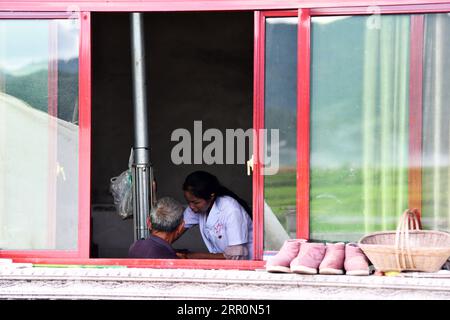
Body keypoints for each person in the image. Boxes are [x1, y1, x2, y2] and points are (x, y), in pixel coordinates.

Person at [178, 171, 253, 260]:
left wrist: (191, 256)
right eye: (188, 201)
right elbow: (177, 230)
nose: (191, 206)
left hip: (247, 266)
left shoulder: (231, 210)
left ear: (211, 196)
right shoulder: (197, 207)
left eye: (195, 202)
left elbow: (235, 257)